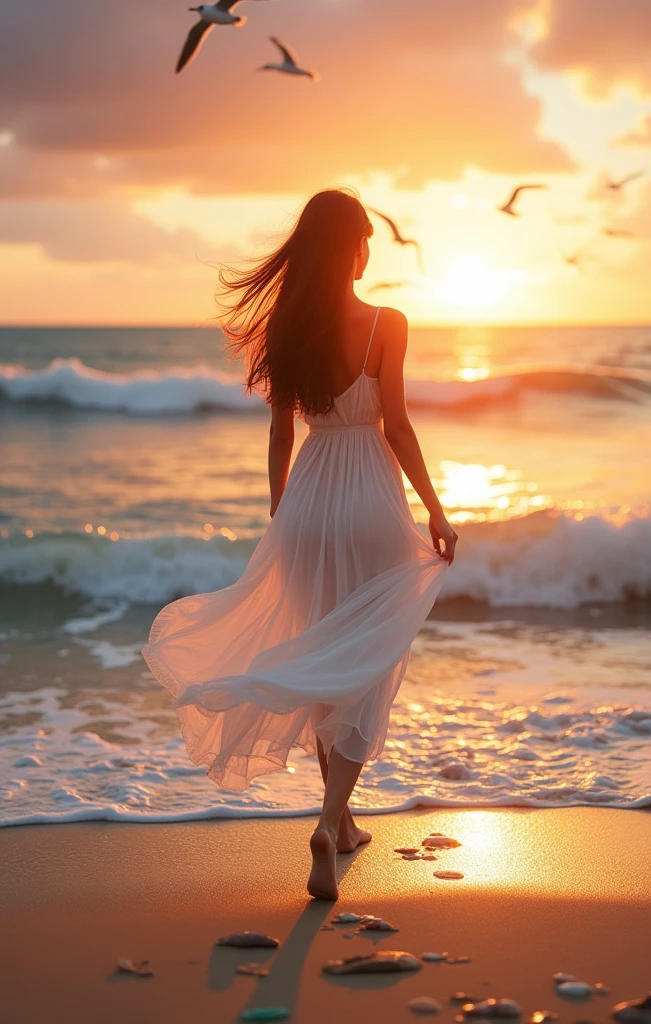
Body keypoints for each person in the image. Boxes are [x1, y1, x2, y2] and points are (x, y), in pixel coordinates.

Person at [142, 187, 457, 900]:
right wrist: (436, 511)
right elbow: (398, 426)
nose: (367, 251)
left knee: (320, 654)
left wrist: (284, 518)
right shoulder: (388, 323)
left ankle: (341, 825)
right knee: (366, 663)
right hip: (373, 498)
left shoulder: (290, 327)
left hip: (311, 501)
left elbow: (282, 435)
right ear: (346, 247)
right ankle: (327, 821)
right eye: (363, 239)